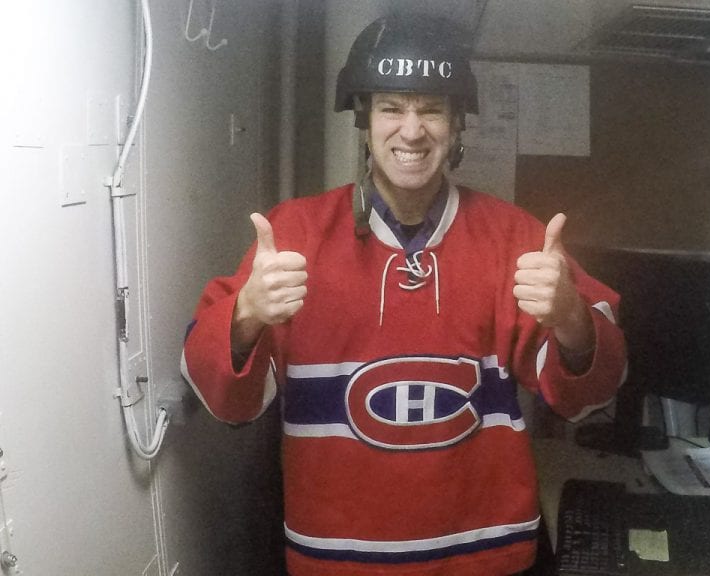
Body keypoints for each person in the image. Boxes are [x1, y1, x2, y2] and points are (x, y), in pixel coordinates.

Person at [181, 13, 626, 576]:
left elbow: (591, 394)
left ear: (457, 123)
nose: (412, 131)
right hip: (339, 562)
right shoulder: (291, 235)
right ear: (364, 120)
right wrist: (245, 317)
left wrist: (571, 319)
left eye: (431, 109)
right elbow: (222, 399)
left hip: (489, 559)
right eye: (392, 107)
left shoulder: (517, 238)